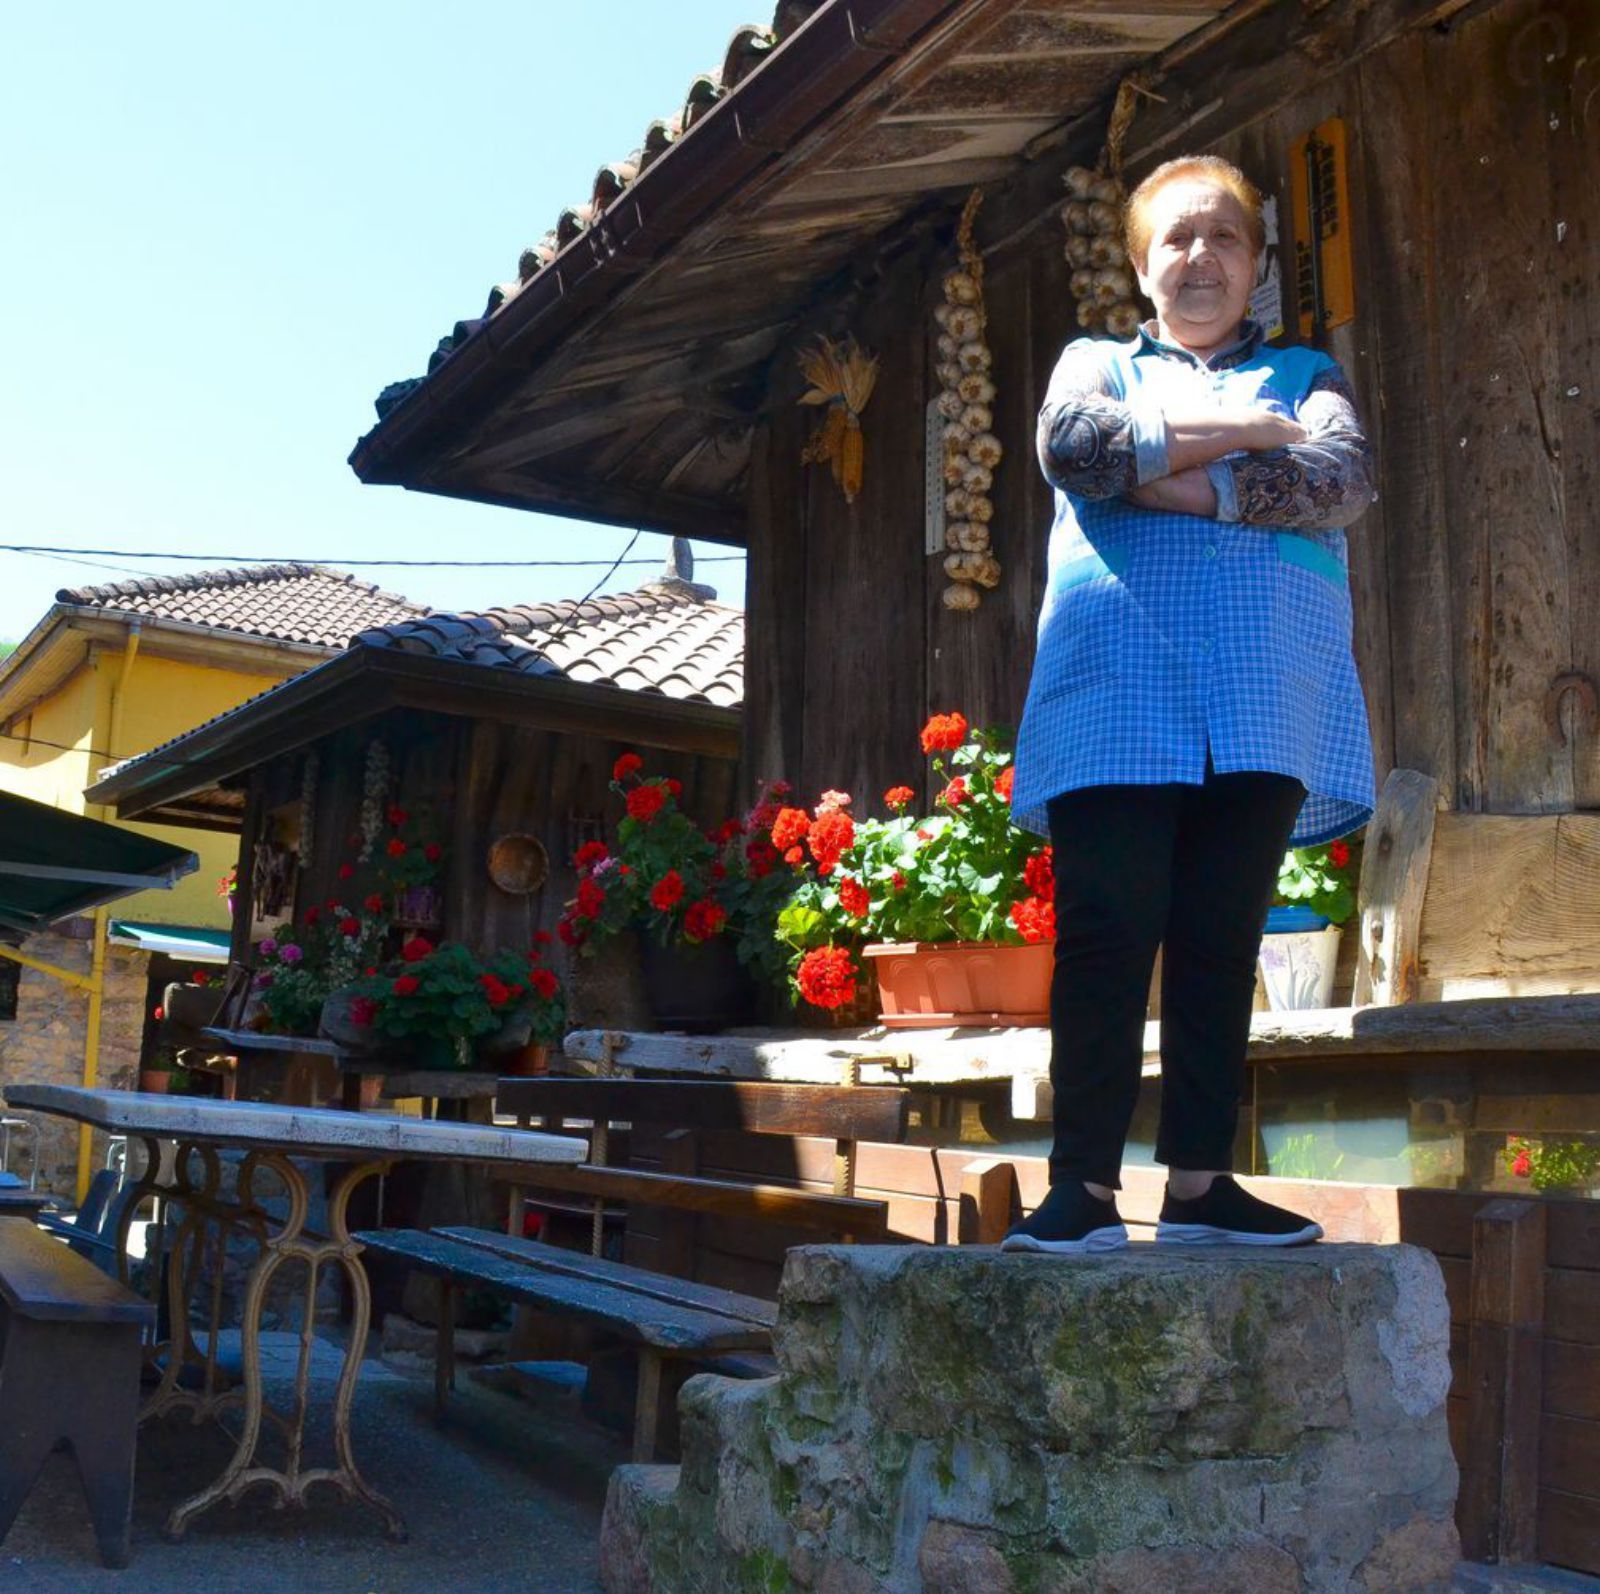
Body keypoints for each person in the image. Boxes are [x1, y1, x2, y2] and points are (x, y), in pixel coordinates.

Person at [1001, 154, 1375, 1254]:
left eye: (1223, 237)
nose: (1199, 256)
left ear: (1255, 265)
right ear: (1139, 265)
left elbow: (1341, 483)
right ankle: (1082, 1190)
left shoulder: (1310, 372)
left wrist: (1173, 477)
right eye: (1176, 238)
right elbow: (1076, 450)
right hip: (1117, 682)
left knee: (1221, 935)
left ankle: (1203, 1185)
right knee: (1107, 933)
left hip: (1265, 690)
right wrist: (1254, 443)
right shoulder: (1094, 362)